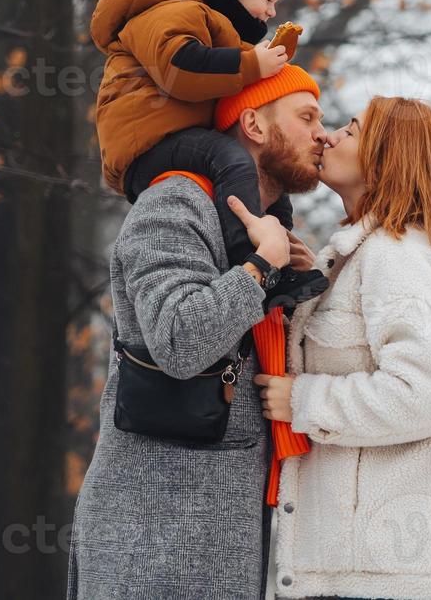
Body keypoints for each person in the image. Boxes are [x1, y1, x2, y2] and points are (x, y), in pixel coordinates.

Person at [66, 66, 329, 600]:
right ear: (253, 124)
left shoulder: (266, 229)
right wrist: (257, 269)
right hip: (156, 536)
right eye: (307, 117)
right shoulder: (177, 201)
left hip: (218, 533)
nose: (322, 133)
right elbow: (179, 340)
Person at [254, 97, 431, 600]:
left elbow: (425, 394)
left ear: (385, 159)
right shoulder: (367, 255)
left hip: (390, 578)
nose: (328, 136)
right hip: (373, 574)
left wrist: (305, 401)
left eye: (350, 131)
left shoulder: (394, 255)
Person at [89, 0, 326, 307]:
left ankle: (282, 262)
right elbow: (179, 68)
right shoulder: (175, 9)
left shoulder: (221, 28)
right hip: (146, 140)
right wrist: (252, 66)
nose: (271, 12)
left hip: (180, 135)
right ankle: (250, 261)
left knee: (267, 173)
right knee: (232, 158)